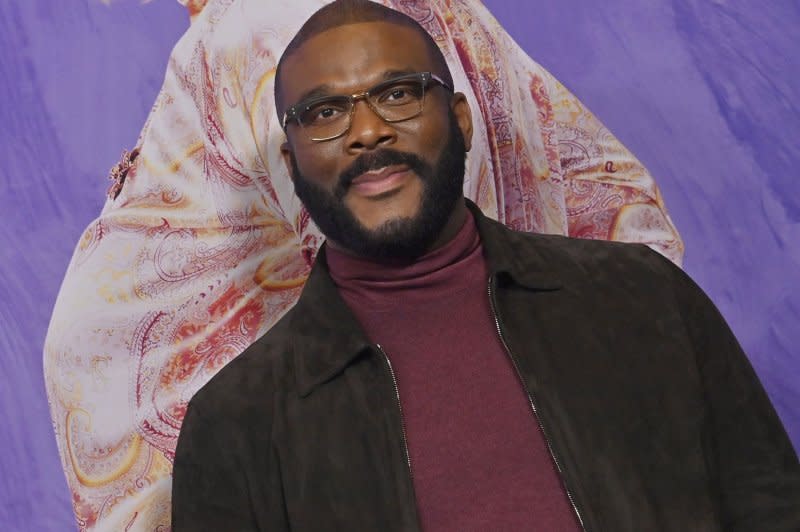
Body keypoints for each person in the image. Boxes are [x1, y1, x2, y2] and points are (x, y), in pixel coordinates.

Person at [45, 0, 685, 529]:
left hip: (326, 480)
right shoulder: (365, 21)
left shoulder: (273, 27)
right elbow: (606, 197)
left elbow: (406, 290)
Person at [171, 1, 800, 530]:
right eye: (326, 113)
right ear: (291, 161)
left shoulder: (643, 297)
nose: (367, 132)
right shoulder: (236, 425)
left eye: (398, 93)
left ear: (462, 122)